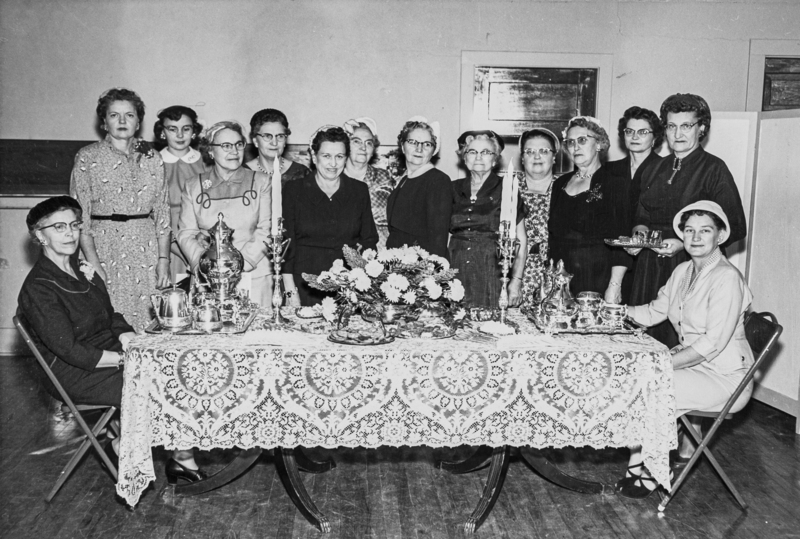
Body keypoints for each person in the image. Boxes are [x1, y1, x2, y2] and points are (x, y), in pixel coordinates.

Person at [18, 196, 205, 484]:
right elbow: (70, 350)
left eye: (74, 225)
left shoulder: (82, 269)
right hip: (75, 370)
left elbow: (110, 315)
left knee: (176, 366)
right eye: (58, 227)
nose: (69, 233)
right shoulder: (40, 288)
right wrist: (124, 358)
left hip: (106, 351)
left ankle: (182, 459)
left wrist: (130, 338)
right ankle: (125, 447)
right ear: (39, 236)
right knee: (159, 383)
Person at [616, 201, 753, 499]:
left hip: (725, 376)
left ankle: (653, 467)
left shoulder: (726, 278)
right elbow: (654, 312)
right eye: (689, 230)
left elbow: (711, 345)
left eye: (705, 230)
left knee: (651, 382)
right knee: (634, 376)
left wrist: (664, 362)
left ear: (720, 236)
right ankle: (637, 462)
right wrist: (615, 310)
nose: (695, 237)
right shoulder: (682, 271)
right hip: (697, 366)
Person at [628, 94, 747, 348]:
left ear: (701, 128)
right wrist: (639, 234)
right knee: (642, 338)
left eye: (686, 126)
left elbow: (736, 226)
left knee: (677, 342)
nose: (677, 134)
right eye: (671, 126)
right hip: (650, 265)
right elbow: (642, 214)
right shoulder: (654, 167)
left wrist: (684, 243)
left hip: (690, 264)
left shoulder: (714, 169)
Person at [70, 88, 171, 331]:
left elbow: (163, 213)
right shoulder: (87, 157)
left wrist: (164, 260)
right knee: (109, 316)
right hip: (104, 247)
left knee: (151, 319)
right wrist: (94, 263)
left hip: (146, 247)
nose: (123, 121)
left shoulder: (153, 157)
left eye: (130, 115)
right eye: (114, 115)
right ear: (104, 122)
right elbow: (80, 217)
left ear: (138, 122)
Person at [177, 121, 272, 306]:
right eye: (226, 146)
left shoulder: (261, 182)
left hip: (254, 274)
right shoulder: (193, 185)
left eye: (238, 144)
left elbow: (266, 228)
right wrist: (205, 266)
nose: (234, 151)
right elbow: (185, 233)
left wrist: (238, 266)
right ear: (210, 151)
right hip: (207, 280)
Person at [282, 126, 378, 306]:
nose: (333, 164)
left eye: (339, 156)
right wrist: (289, 291)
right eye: (326, 156)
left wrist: (364, 283)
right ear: (314, 156)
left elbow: (369, 240)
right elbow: (287, 244)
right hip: (304, 284)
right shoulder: (294, 190)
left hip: (347, 286)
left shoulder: (358, 191)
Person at [548, 116, 631, 301]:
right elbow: (553, 238)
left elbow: (622, 239)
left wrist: (614, 286)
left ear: (599, 143)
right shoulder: (560, 183)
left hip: (598, 276)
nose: (575, 147)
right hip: (561, 277)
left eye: (582, 140)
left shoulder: (615, 183)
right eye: (570, 142)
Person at [449, 130, 527, 308]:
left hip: (492, 269)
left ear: (495, 159)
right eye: (472, 152)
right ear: (464, 157)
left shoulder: (507, 188)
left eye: (485, 152)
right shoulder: (452, 188)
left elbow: (521, 239)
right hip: (456, 266)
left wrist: (516, 280)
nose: (478, 157)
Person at [606, 106, 664, 303]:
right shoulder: (609, 170)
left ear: (655, 137)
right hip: (614, 256)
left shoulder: (664, 169)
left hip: (649, 256)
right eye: (629, 131)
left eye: (643, 132)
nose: (635, 136)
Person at [385, 117, 452, 258]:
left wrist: (432, 274)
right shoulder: (404, 180)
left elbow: (438, 239)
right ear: (402, 146)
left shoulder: (438, 180)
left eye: (427, 144)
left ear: (434, 150)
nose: (419, 149)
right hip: (397, 264)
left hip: (421, 267)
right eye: (412, 142)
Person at [154, 105, 205, 282]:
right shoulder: (153, 163)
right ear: (162, 132)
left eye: (186, 129)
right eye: (172, 129)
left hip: (199, 238)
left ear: (194, 131)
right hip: (164, 241)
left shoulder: (205, 162)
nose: (180, 135)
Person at [517, 128, 559, 306]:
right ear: (522, 158)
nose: (537, 156)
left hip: (555, 270)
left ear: (554, 157)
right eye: (530, 151)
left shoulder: (566, 188)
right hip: (516, 271)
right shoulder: (508, 187)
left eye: (543, 151)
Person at [342, 117, 395, 250]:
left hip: (381, 254)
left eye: (369, 143)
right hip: (342, 253)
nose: (363, 148)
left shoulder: (385, 178)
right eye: (356, 141)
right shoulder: (334, 179)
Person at [244, 108, 311, 184]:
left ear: (285, 140)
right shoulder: (242, 174)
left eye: (280, 136)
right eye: (267, 136)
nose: (274, 143)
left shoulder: (302, 173)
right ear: (255, 141)